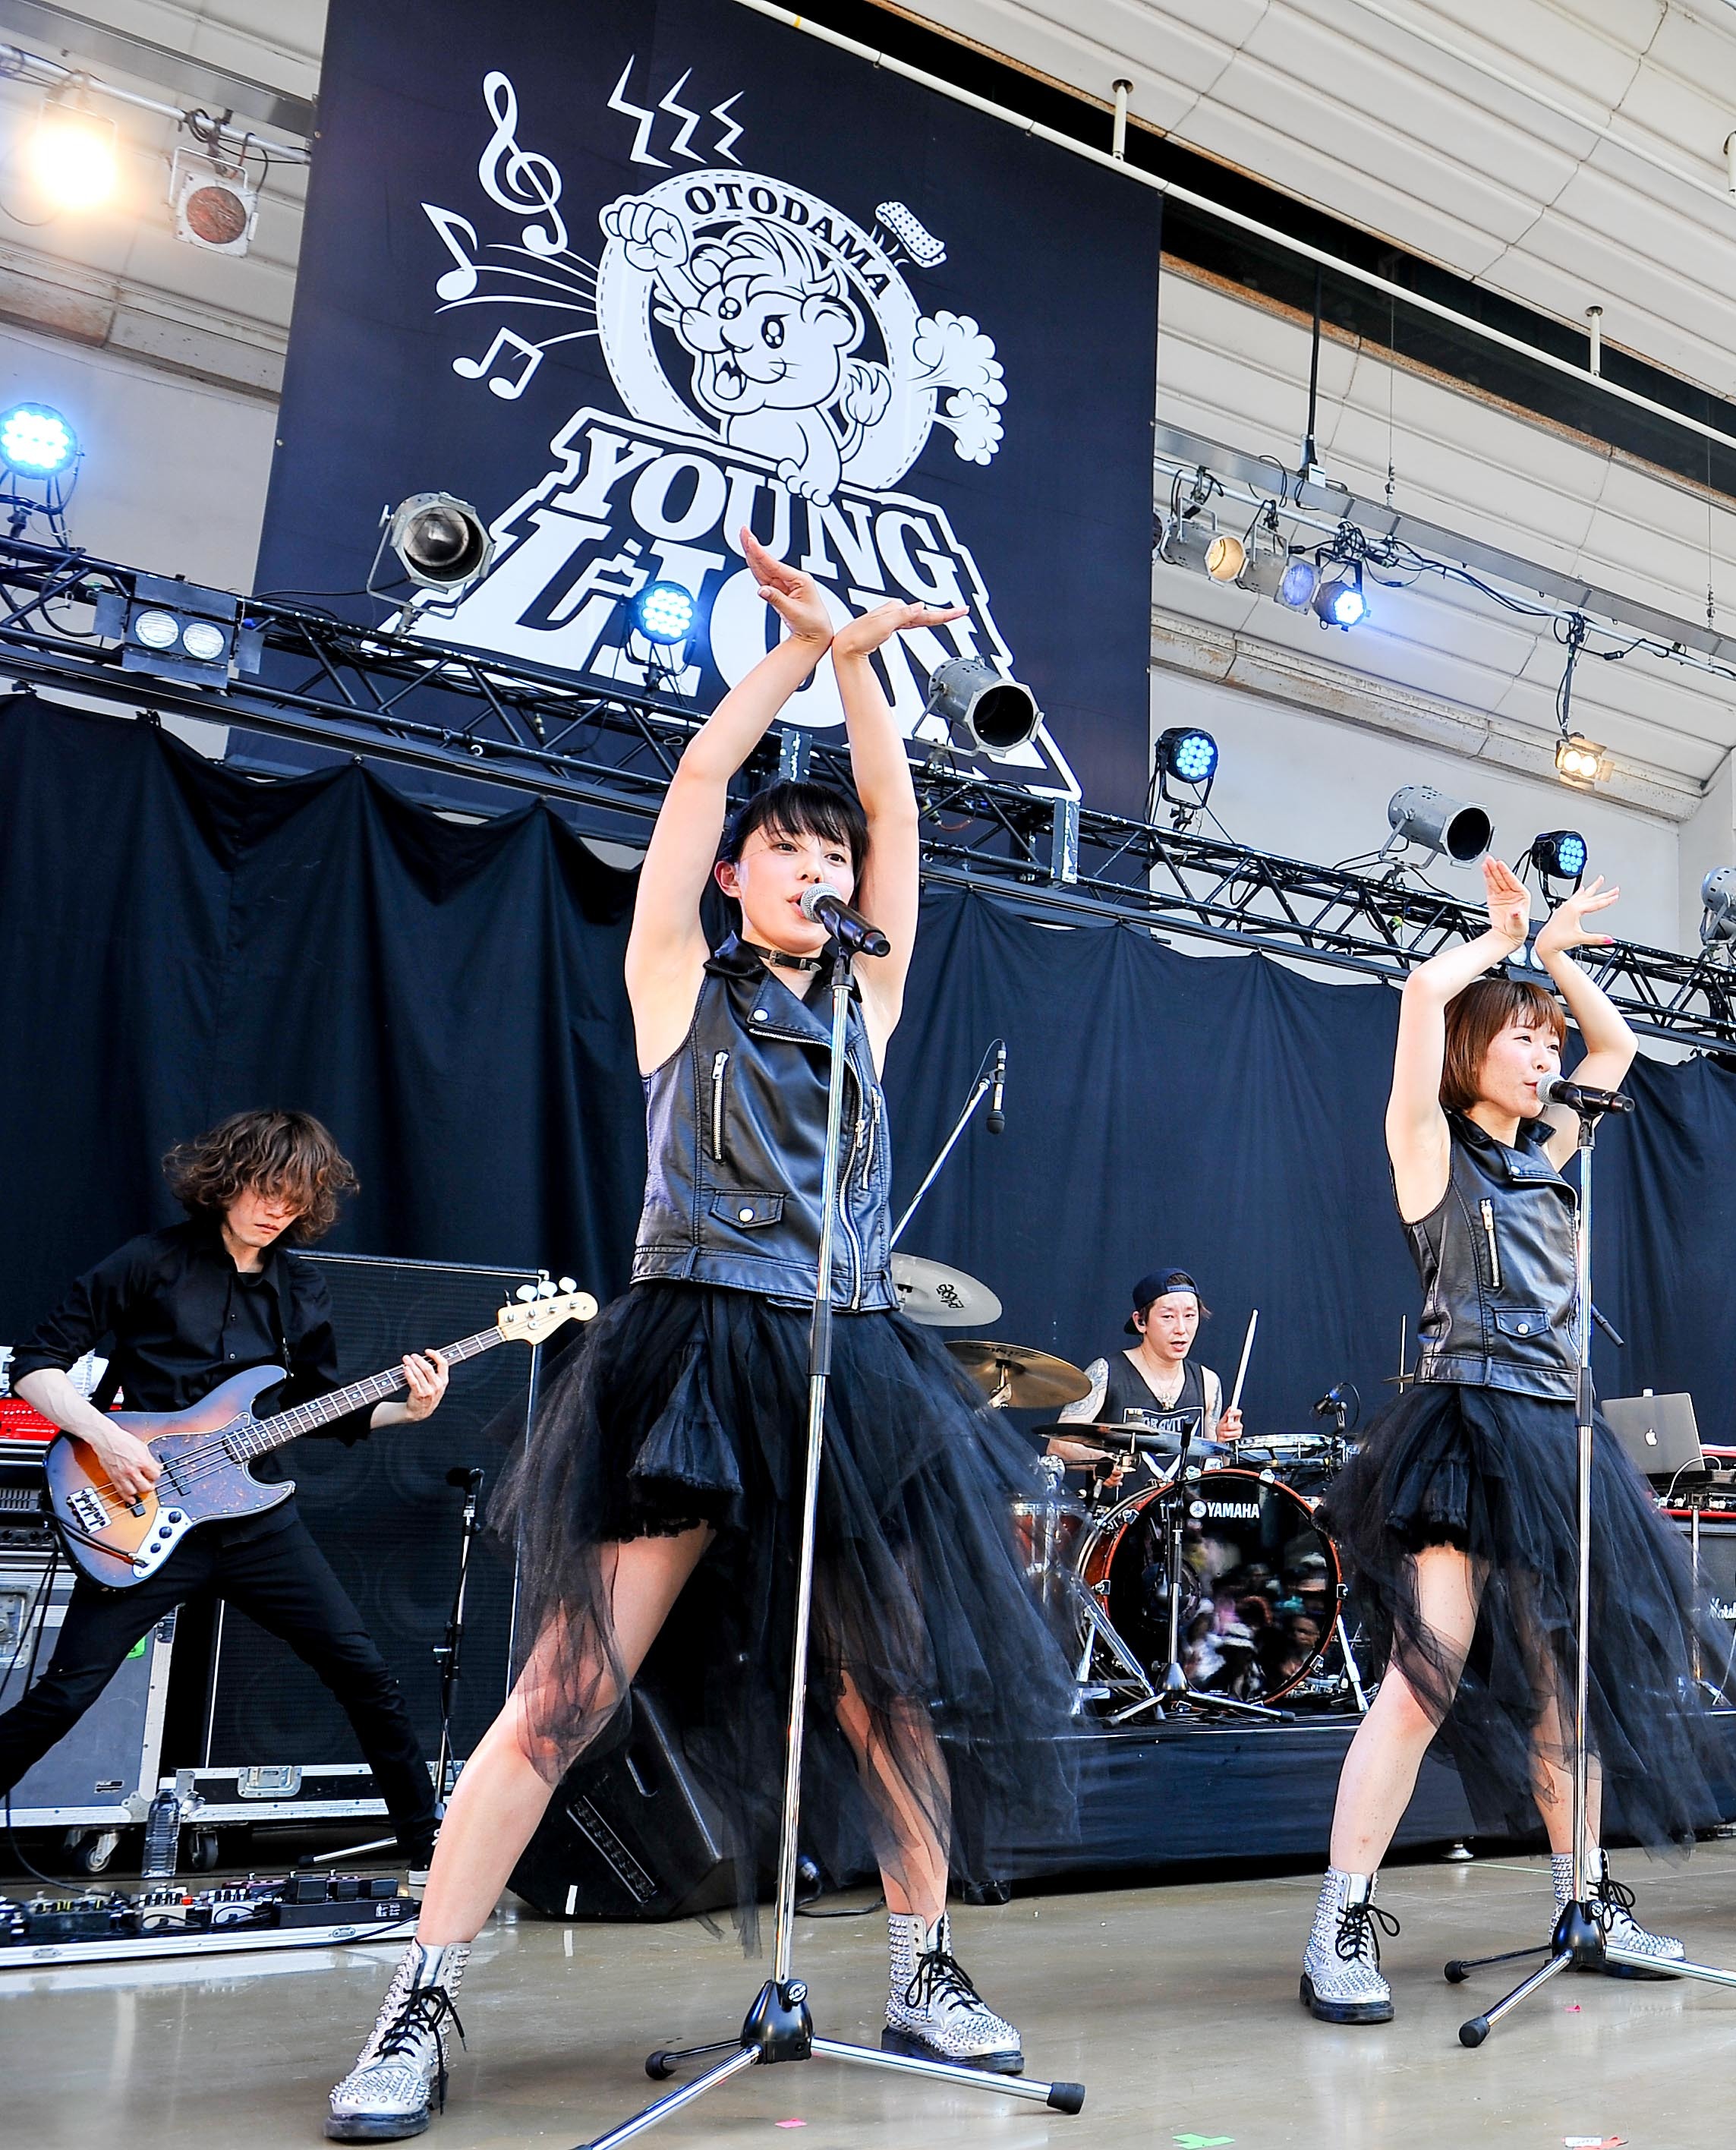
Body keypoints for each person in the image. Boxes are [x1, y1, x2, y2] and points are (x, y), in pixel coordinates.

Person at [326, 533, 1079, 2141]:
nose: (817, 868)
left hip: (848, 1355)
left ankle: (920, 1966)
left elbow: (897, 818)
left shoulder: (871, 1002)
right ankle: (419, 1999)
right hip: (692, 1355)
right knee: (563, 1690)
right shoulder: (679, 982)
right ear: (739, 879)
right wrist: (794, 660)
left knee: (891, 1692)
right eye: (784, 852)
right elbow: (693, 784)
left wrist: (868, 670)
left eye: (829, 857)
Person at [1300, 859, 1736, 2025]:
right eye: (1524, 1039)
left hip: (1560, 1429)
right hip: (1466, 1424)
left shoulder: (1546, 1158)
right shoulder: (1431, 1148)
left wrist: (1558, 963)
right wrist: (1498, 940)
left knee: (1575, 1681)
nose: (1549, 1053)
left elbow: (1614, 1052)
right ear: (1477, 1053)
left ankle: (1588, 1900)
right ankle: (1340, 1921)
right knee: (1433, 1668)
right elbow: (1420, 998)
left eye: (1545, 1038)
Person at [5, 1112, 450, 1870]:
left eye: (298, 1196)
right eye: (269, 1188)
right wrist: (109, 1440)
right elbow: (37, 1365)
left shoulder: (299, 1290)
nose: (280, 1208)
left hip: (252, 1524)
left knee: (364, 1671)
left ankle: (428, 1848)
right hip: (139, 1511)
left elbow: (316, 1409)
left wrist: (405, 1409)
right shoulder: (150, 1263)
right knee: (65, 1694)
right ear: (227, 1180)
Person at [1049, 1268, 1246, 1472]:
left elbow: (1212, 1469)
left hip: (1186, 1503)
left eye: (1189, 1315)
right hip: (1122, 1503)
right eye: (1168, 1317)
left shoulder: (1208, 1382)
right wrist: (1101, 1462)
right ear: (1141, 1321)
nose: (1181, 1328)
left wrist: (1223, 1445)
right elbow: (1059, 1445)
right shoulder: (1106, 1372)